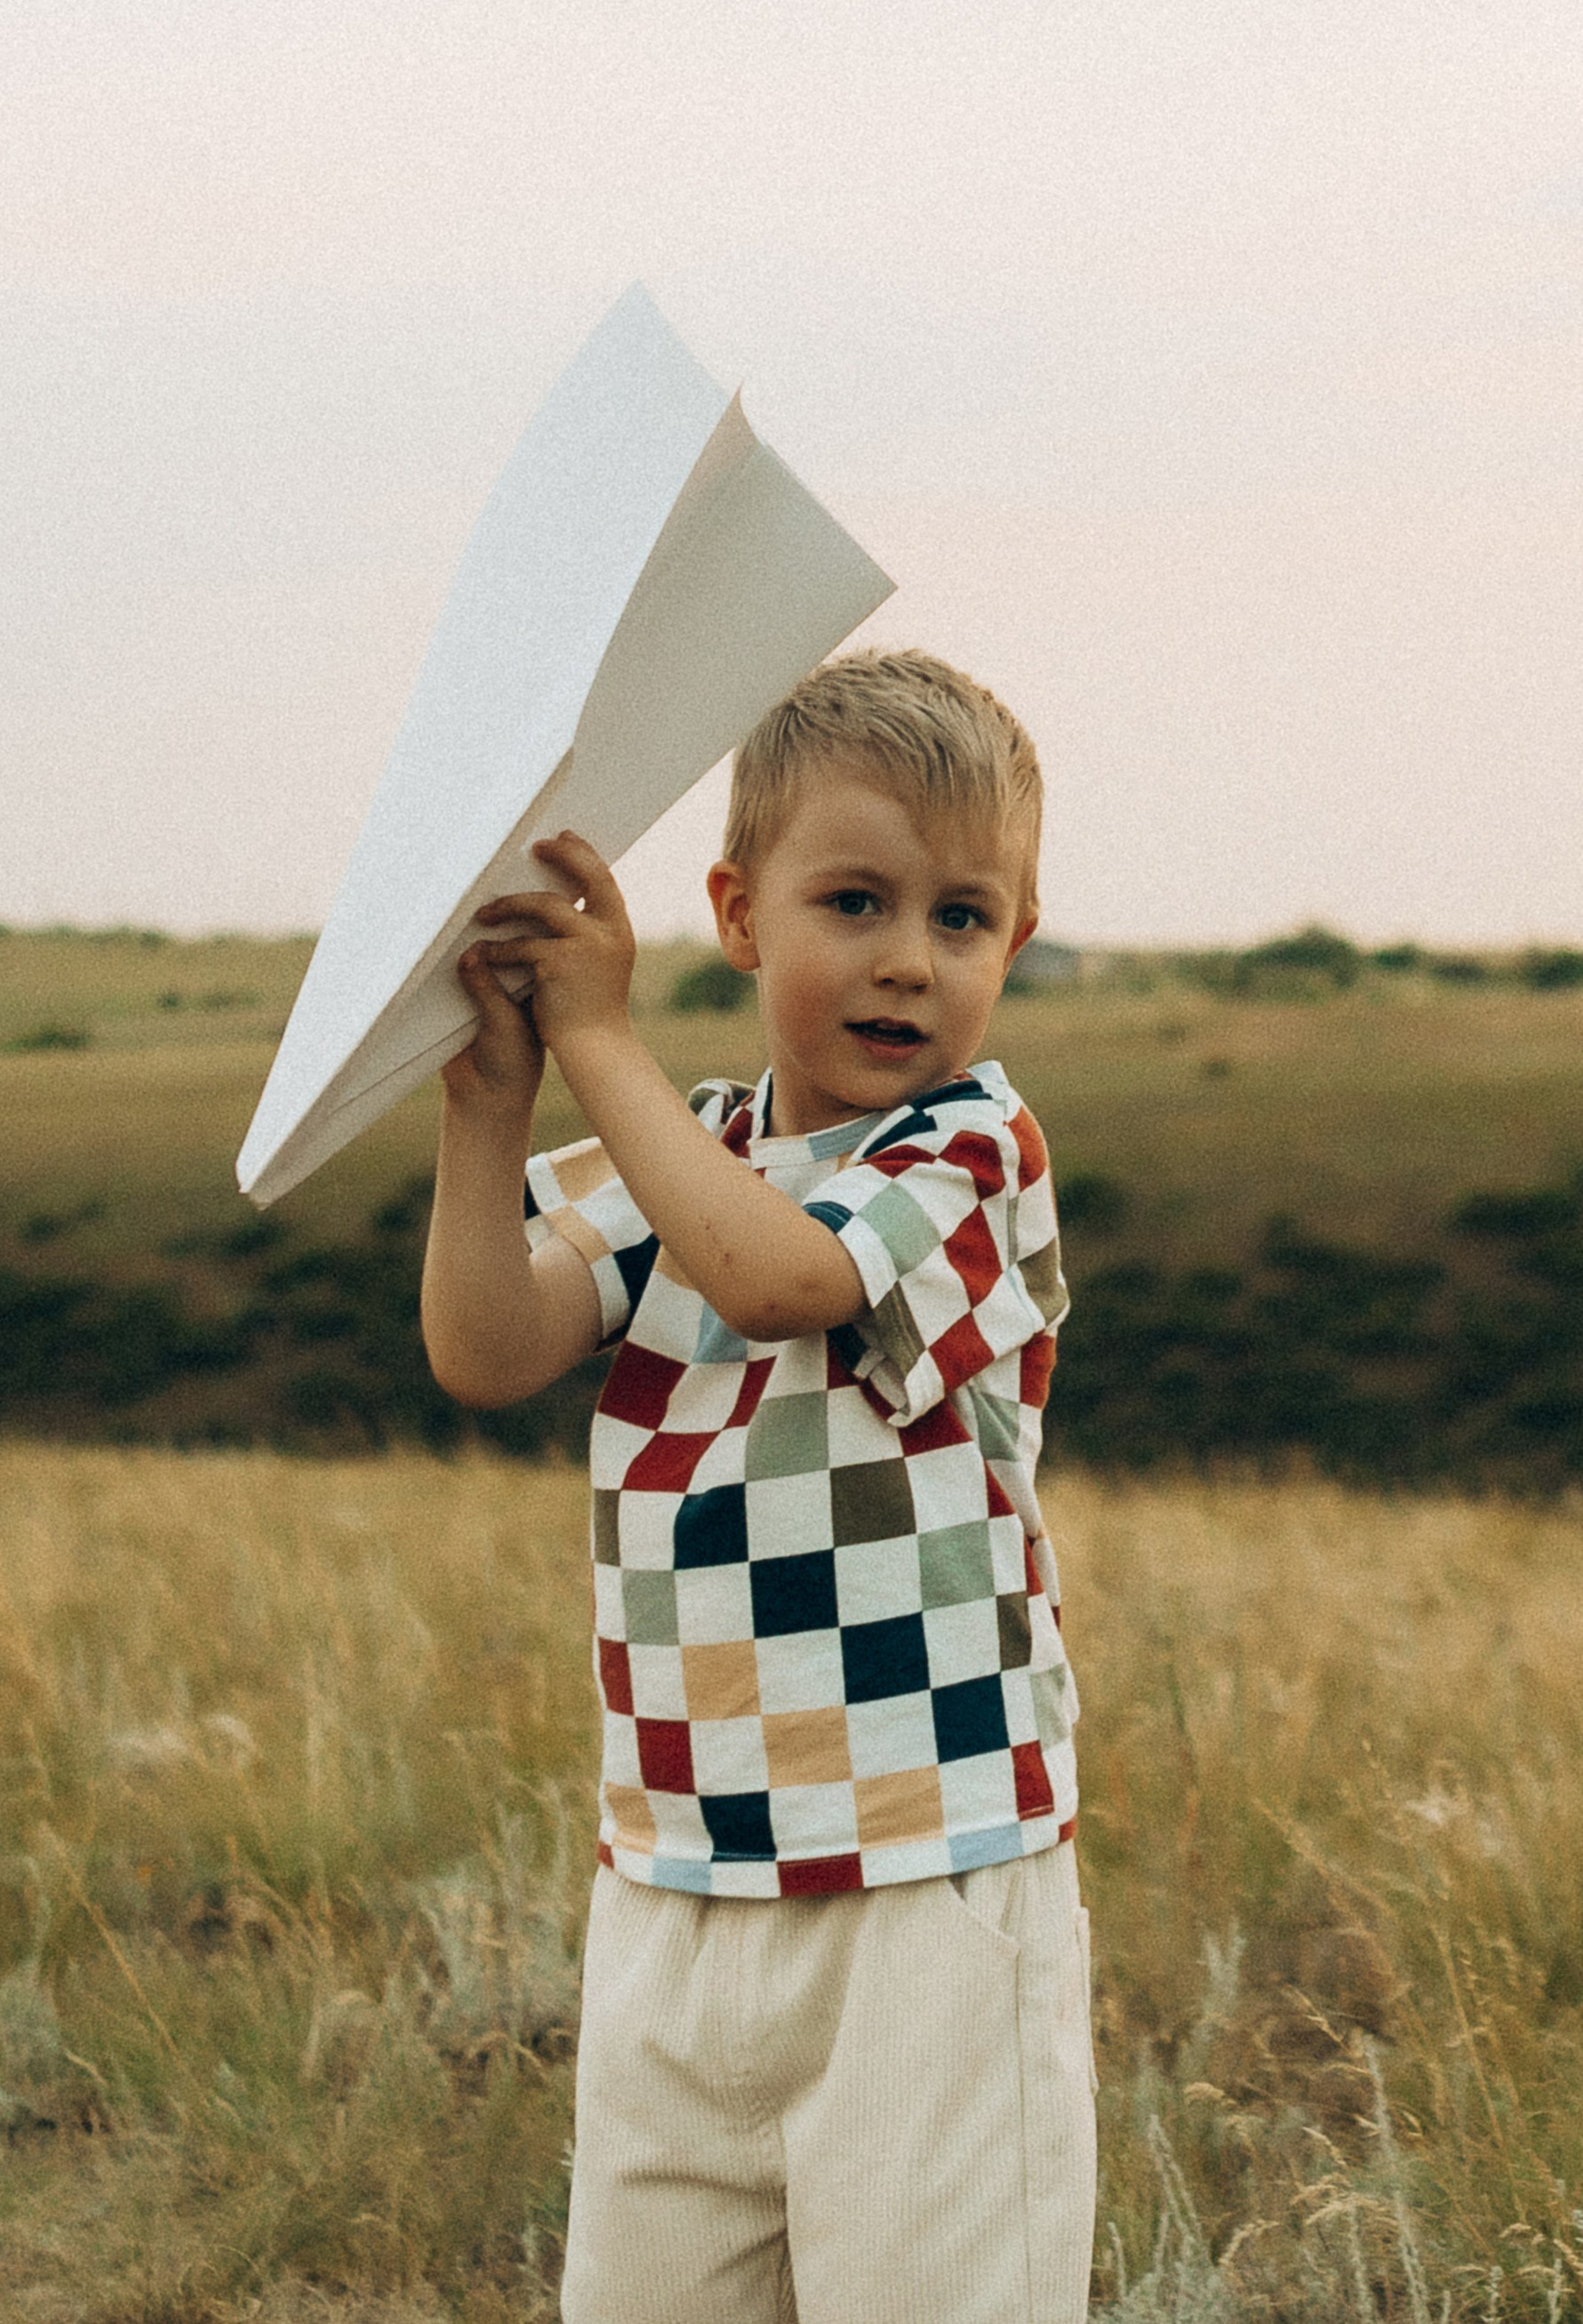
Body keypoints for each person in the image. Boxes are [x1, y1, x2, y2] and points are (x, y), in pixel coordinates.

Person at [420, 647, 1094, 2324]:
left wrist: (595, 1041)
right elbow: (489, 1345)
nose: (907, 962)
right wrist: (490, 1114)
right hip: (677, 1874)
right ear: (740, 912)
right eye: (855, 900)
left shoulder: (968, 1154)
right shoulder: (679, 1147)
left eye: (962, 917)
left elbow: (788, 1278)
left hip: (923, 1877)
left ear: (1014, 940)